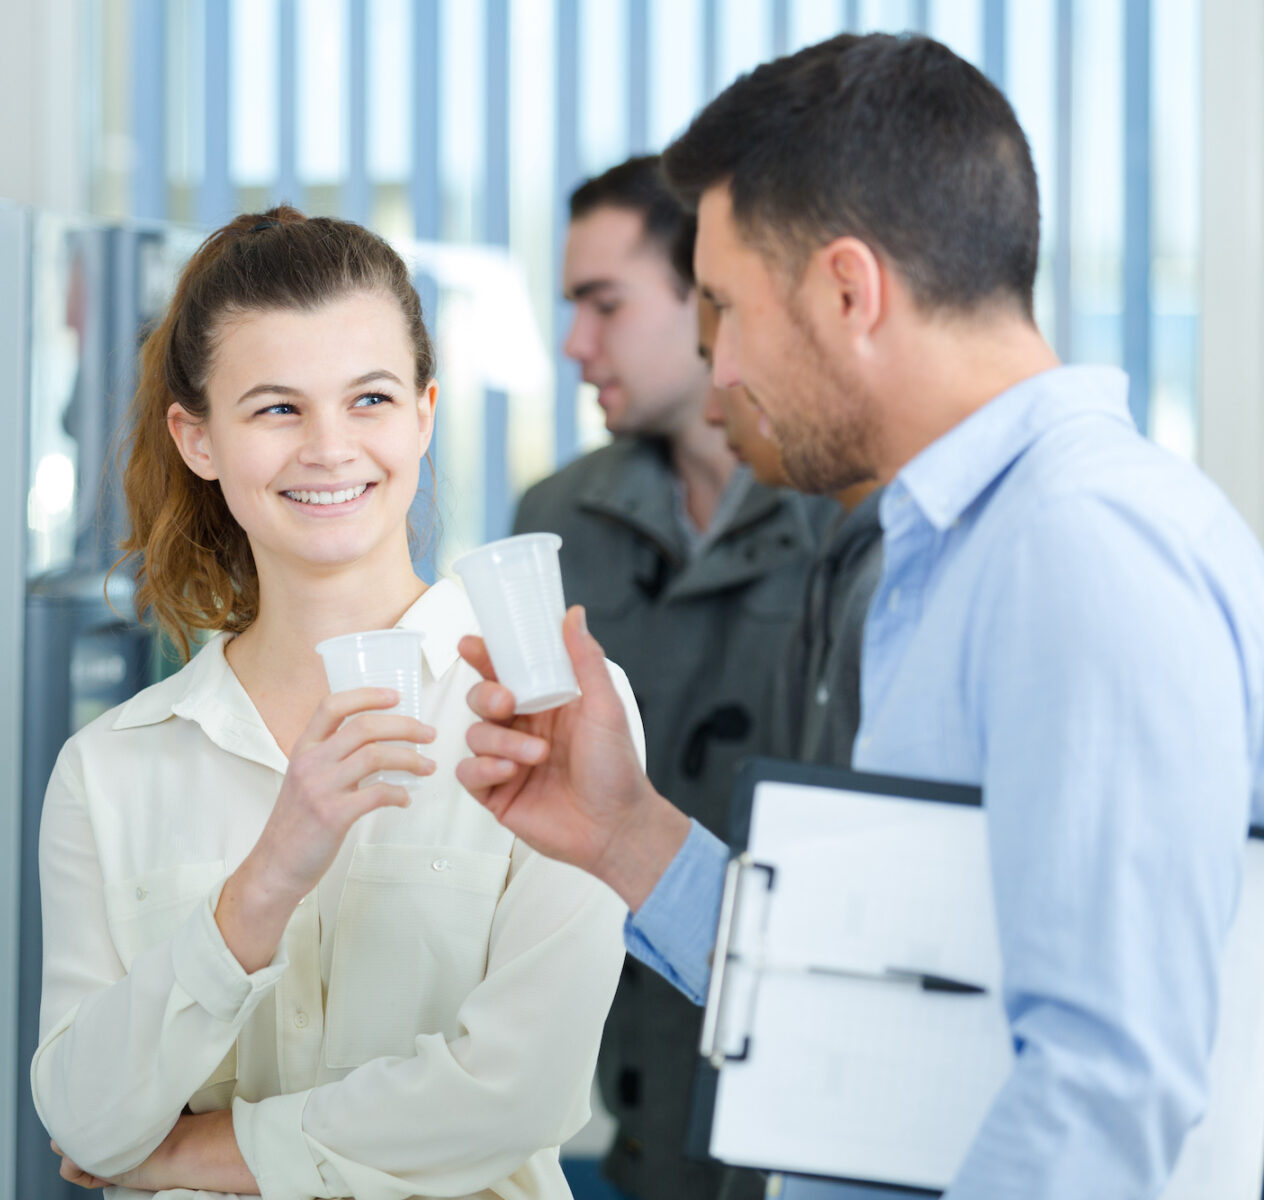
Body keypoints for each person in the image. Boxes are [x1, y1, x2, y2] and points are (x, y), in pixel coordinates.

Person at [456, 32, 1264, 1200]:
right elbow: (895, 988)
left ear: (848, 290)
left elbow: (1101, 1096)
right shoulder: (948, 547)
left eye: (726, 309)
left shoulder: (1079, 552)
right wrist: (622, 829)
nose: (717, 367)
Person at [29, 207, 636, 1200]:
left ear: (424, 415)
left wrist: (185, 1152)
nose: (328, 449)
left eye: (369, 399)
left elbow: (516, 1095)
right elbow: (84, 1116)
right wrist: (266, 879)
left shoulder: (556, 713)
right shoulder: (113, 768)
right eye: (275, 409)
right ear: (198, 438)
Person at [514, 155, 819, 1200]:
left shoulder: (849, 526)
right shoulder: (554, 523)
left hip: (806, 1080)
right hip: (621, 1100)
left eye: (605, 304)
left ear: (711, 298)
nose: (574, 344)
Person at [670, 216, 883, 767]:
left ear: (847, 300)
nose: (715, 408)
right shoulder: (847, 554)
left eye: (738, 331)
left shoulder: (908, 571)